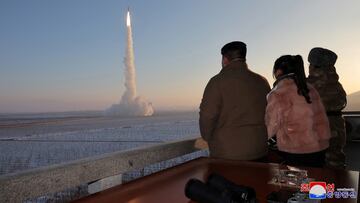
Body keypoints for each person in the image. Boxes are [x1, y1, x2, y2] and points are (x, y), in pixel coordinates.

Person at [199, 41, 271, 160]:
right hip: (260, 150)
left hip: (227, 154)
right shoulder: (261, 81)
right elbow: (269, 113)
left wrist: (208, 137)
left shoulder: (217, 82)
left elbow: (207, 116)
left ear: (225, 59)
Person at [265, 55, 331, 167]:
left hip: (296, 150)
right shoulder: (309, 88)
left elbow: (271, 126)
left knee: (297, 183)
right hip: (320, 147)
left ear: (278, 71)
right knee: (316, 182)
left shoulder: (278, 93)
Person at [307, 47, 347, 169]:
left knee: (317, 168)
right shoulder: (336, 83)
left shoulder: (309, 84)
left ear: (313, 65)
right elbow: (342, 102)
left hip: (319, 129)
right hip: (338, 126)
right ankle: (338, 186)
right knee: (336, 162)